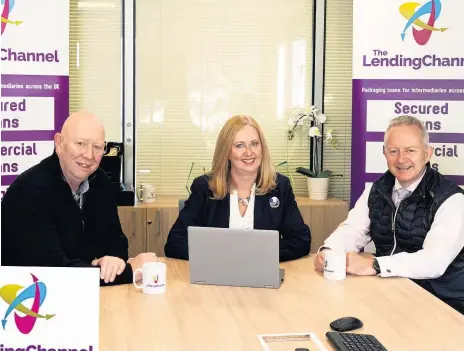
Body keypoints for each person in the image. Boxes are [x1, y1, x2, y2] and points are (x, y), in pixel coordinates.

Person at [314, 115, 464, 314]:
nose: (401, 159)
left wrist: (374, 265)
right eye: (393, 151)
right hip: (393, 295)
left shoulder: (452, 200)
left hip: (444, 304)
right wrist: (329, 250)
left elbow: (433, 261)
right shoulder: (377, 190)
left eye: (410, 150)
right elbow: (353, 230)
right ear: (384, 153)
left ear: (427, 153)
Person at [1, 111, 157, 286]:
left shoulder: (100, 181)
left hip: (83, 294)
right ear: (59, 143)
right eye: (80, 144)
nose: (89, 155)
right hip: (28, 300)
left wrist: (112, 262)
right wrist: (129, 271)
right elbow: (53, 272)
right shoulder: (29, 191)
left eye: (97, 147)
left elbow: (115, 243)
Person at [165, 115, 311, 261]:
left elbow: (301, 240)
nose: (249, 152)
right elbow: (175, 243)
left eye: (254, 143)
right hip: (216, 277)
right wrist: (223, 255)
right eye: (239, 145)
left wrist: (257, 255)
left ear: (262, 148)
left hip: (262, 275)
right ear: (227, 152)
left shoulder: (280, 186)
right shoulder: (205, 187)